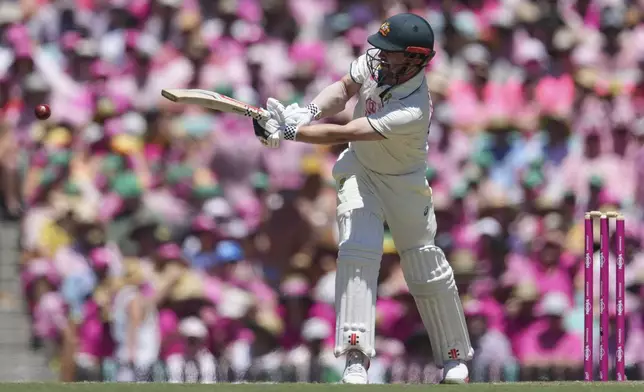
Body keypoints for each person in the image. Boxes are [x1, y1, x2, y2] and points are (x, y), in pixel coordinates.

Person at [252, 13, 473, 384]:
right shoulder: (376, 65)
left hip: (404, 182)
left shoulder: (414, 108)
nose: (381, 57)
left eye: (392, 53)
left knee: (424, 263)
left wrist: (294, 132)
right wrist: (307, 111)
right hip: (359, 170)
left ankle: (453, 357)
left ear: (416, 59)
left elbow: (354, 128)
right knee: (358, 248)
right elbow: (342, 89)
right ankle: (355, 357)